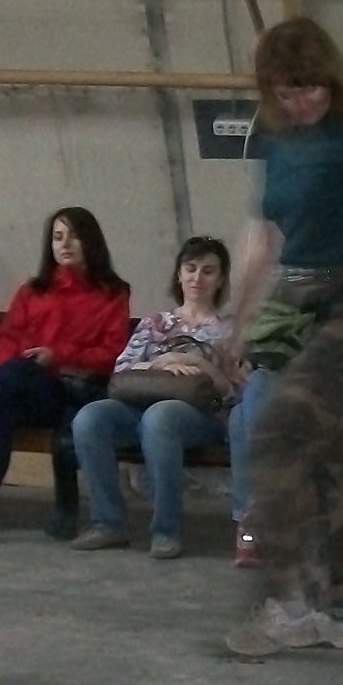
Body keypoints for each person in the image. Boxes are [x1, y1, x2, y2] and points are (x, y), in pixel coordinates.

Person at [223, 17, 343, 657]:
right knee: (324, 458)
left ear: (330, 78)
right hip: (293, 303)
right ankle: (338, 612)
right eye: (286, 93)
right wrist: (237, 322)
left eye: (311, 89)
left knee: (274, 434)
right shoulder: (274, 137)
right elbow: (266, 239)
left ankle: (288, 604)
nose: (302, 103)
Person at [0, 207, 131, 544]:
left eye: (73, 236)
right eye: (57, 237)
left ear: (91, 240)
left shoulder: (112, 293)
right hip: (23, 385)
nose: (65, 244)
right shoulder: (33, 290)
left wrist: (57, 356)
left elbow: (112, 354)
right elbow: (5, 339)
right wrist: (17, 365)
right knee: (3, 404)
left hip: (73, 390)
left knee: (13, 379)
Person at [70, 235, 241, 559]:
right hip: (139, 401)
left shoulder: (229, 329)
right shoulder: (156, 322)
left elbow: (234, 391)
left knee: (160, 417)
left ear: (221, 279)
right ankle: (108, 522)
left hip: (201, 413)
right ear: (179, 274)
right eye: (190, 268)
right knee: (89, 419)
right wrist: (162, 362)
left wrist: (195, 363)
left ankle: (166, 529)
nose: (197, 278)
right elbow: (122, 369)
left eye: (208, 271)